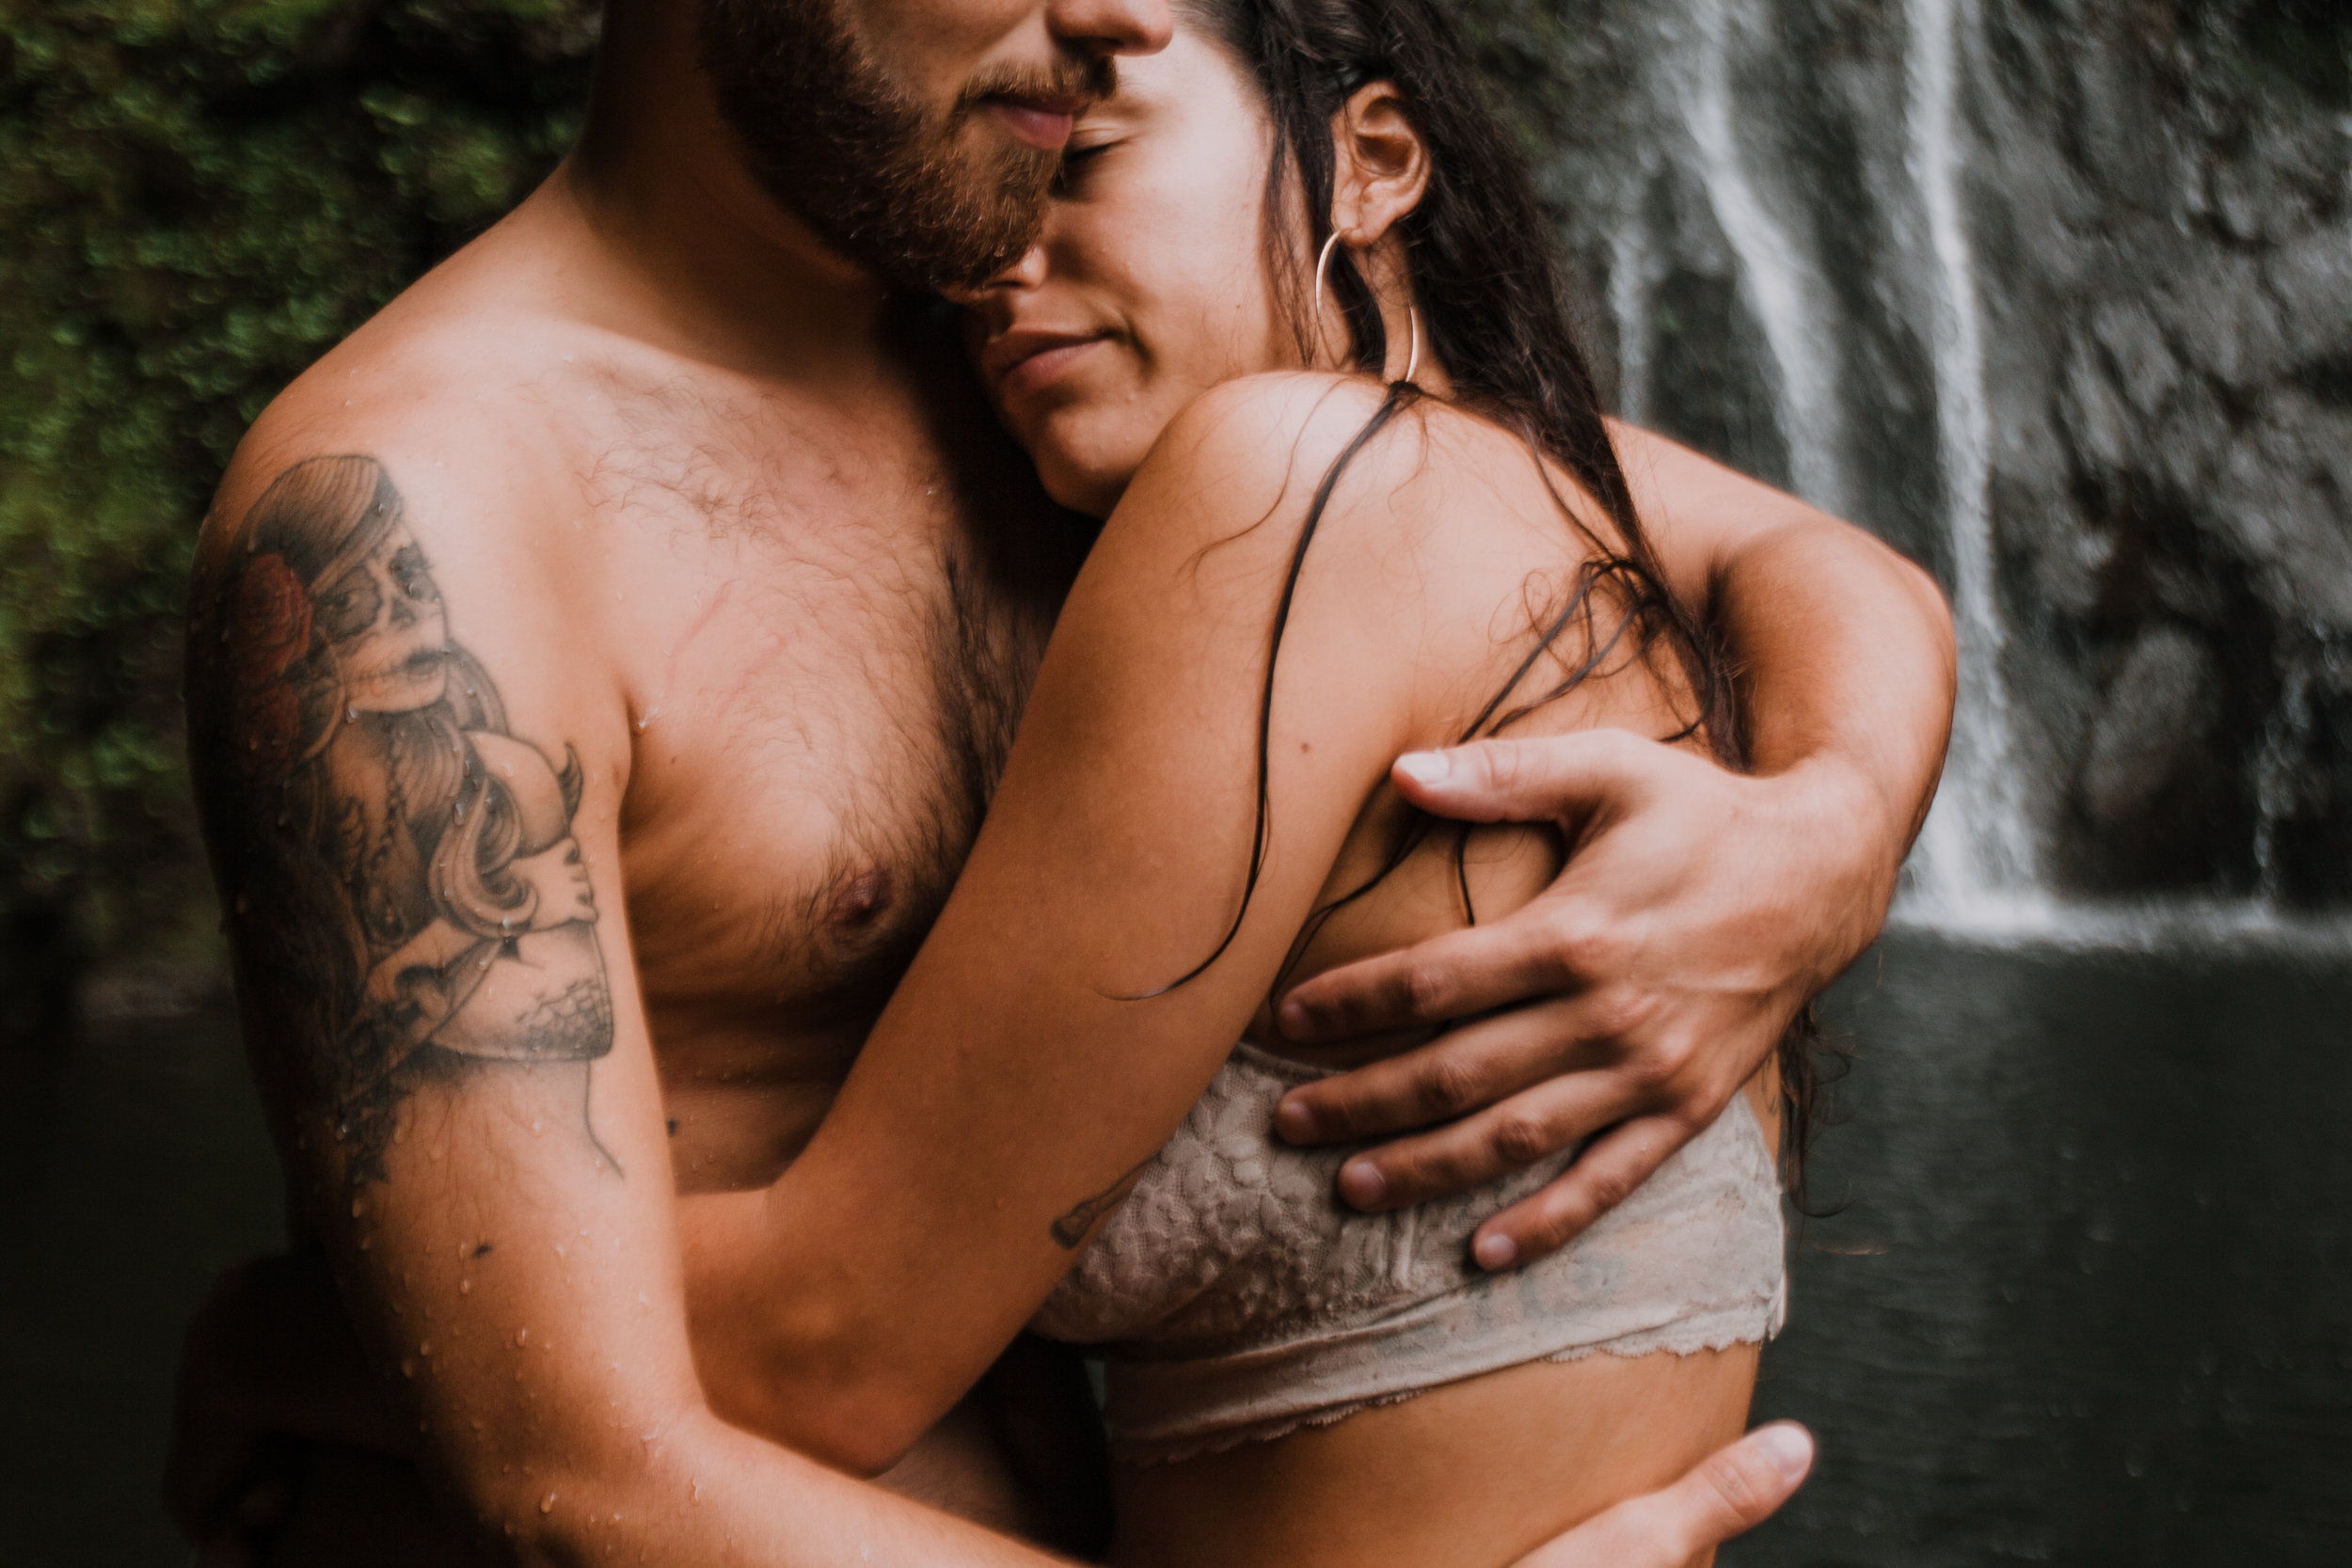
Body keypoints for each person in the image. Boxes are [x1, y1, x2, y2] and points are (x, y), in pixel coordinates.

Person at [168, 0, 1954, 1562]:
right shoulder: (430, 515)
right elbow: (576, 1460)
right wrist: (368, 1352)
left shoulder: (1089, 382)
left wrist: (1835, 825)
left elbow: (1784, 555)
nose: (1113, 11)